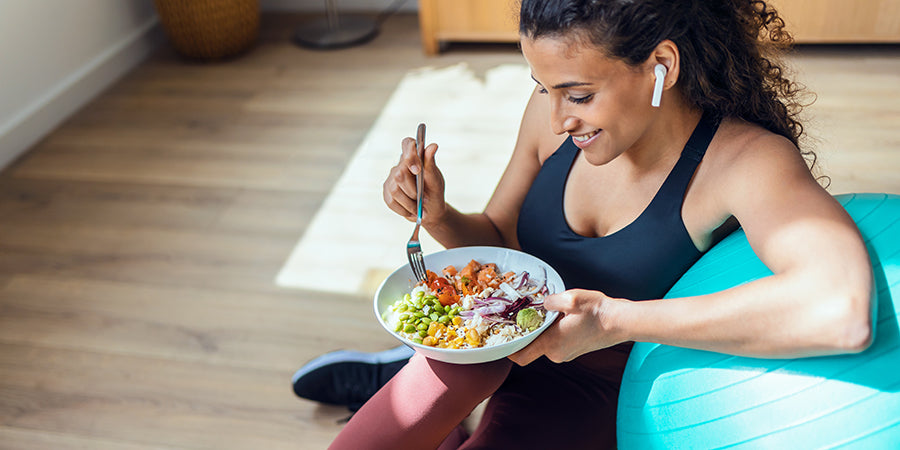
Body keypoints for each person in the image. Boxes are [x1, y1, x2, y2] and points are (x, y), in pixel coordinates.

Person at [292, 0, 875, 448]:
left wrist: (613, 321)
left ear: (661, 65)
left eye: (578, 94)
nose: (555, 118)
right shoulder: (554, 121)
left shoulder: (744, 163)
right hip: (492, 339)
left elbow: (841, 313)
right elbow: (501, 241)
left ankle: (409, 387)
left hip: (596, 386)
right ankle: (407, 378)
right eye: (542, 89)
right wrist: (438, 214)